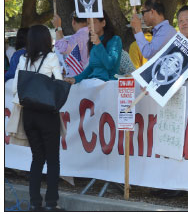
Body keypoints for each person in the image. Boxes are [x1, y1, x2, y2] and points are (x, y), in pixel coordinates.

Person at [12, 25, 64, 211]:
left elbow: (14, 88)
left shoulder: (22, 59)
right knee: (52, 159)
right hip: (47, 113)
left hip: (28, 114)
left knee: (37, 158)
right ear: (45, 40)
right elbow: (58, 84)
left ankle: (35, 203)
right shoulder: (51, 57)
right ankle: (51, 203)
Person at [64, 13, 122, 84]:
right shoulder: (92, 41)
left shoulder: (115, 40)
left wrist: (98, 44)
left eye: (93, 22)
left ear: (103, 23)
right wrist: (75, 79)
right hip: (93, 82)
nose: (90, 26)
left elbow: (109, 65)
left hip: (109, 84)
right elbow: (91, 67)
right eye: (88, 23)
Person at [52, 11, 90, 77]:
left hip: (81, 77)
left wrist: (57, 27)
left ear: (73, 21)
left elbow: (63, 49)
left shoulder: (79, 37)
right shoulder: (94, 34)